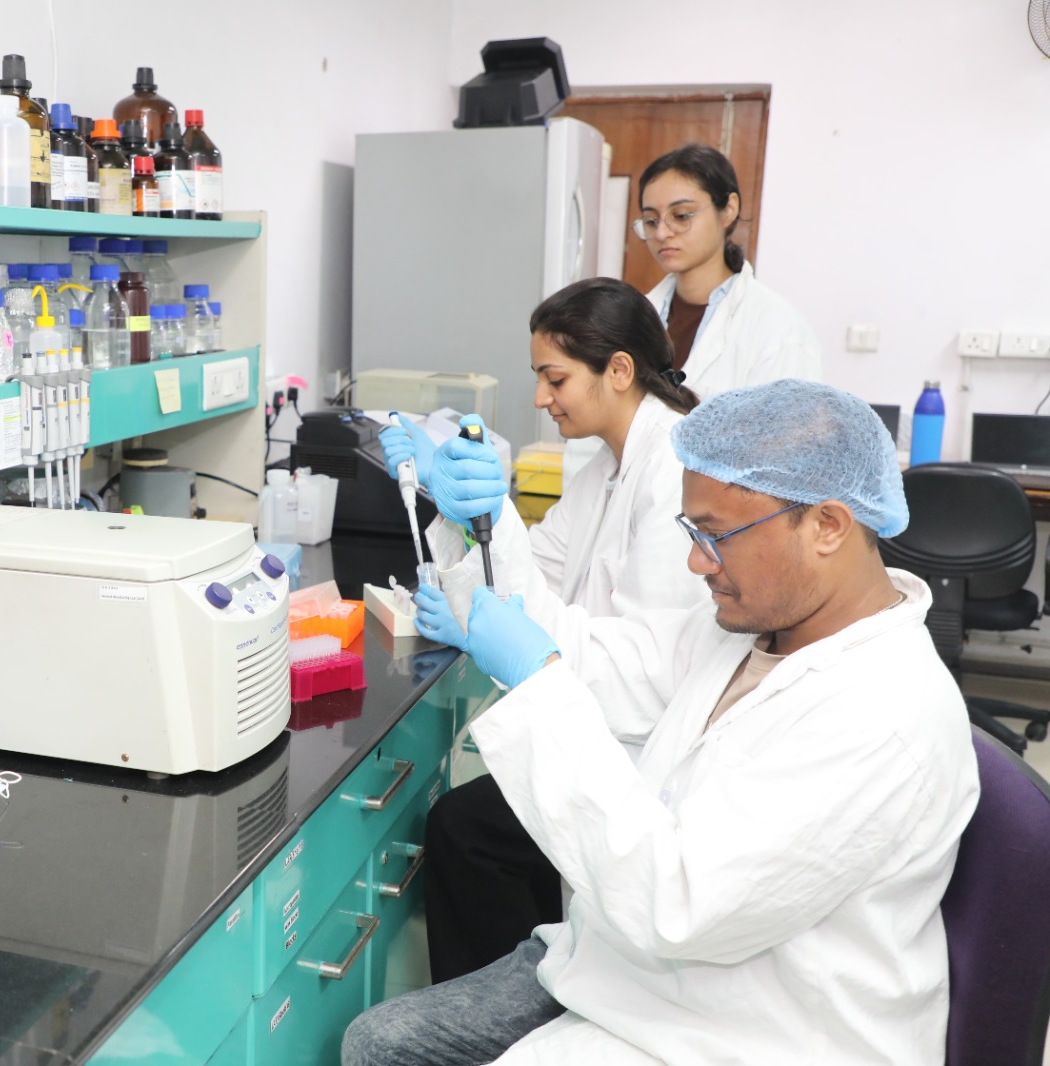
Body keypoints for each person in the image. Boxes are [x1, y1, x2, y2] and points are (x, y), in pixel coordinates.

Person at [343, 380, 979, 1066]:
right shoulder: (759, 634)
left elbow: (678, 905)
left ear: (827, 525)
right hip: (638, 975)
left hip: (752, 1031)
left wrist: (539, 682)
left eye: (716, 536)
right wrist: (480, 526)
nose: (696, 562)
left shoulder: (880, 715)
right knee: (378, 1043)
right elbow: (583, 656)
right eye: (692, 531)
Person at [382, 277, 711, 982]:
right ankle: (526, 993)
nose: (540, 398)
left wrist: (525, 642)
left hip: (643, 752)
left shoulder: (673, 471)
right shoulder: (606, 468)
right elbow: (533, 570)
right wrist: (466, 508)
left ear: (618, 370)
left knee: (466, 831)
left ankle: (508, 1013)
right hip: (605, 727)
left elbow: (650, 670)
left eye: (554, 378)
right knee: (469, 827)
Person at [562, 143, 823, 483]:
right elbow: (595, 428)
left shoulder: (778, 330)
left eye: (681, 216)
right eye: (651, 220)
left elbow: (788, 456)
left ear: (728, 209)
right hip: (625, 504)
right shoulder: (628, 318)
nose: (662, 233)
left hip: (720, 513)